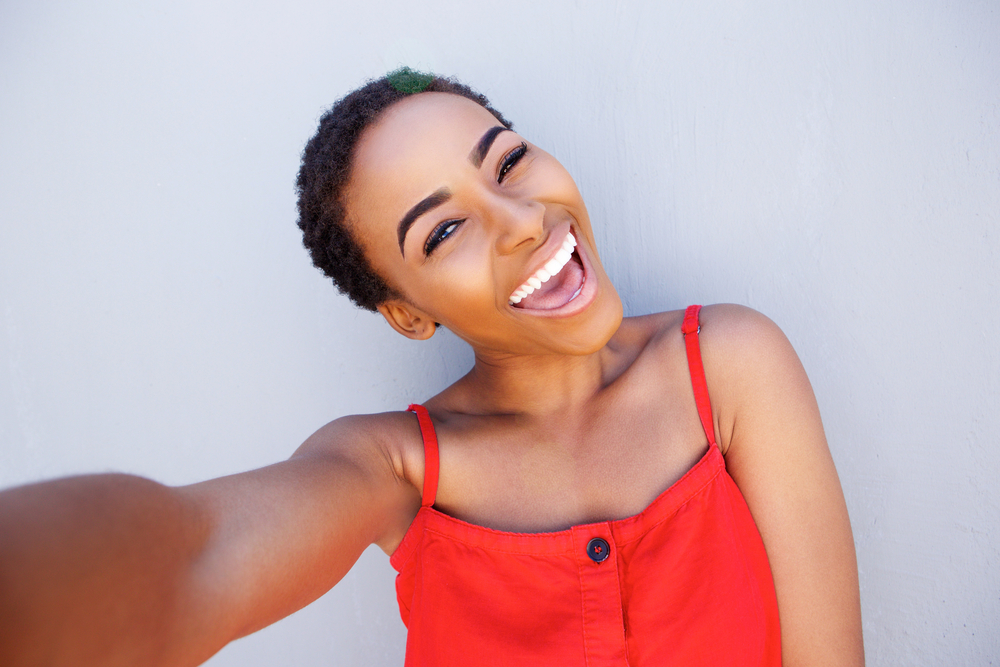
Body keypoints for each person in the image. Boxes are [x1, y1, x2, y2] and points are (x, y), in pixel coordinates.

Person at [0, 69, 864, 666]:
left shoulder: (732, 364)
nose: (522, 220)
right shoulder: (397, 469)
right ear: (409, 312)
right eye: (443, 231)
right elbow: (193, 563)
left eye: (507, 161)